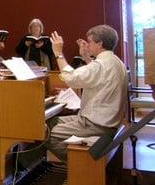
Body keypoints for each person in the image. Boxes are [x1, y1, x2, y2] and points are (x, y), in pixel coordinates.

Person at [43, 25, 126, 162]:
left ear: (99, 43)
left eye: (90, 42)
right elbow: (97, 76)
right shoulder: (116, 61)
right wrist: (87, 57)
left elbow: (72, 78)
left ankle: (80, 165)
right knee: (50, 121)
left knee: (44, 133)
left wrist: (58, 53)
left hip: (95, 124)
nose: (87, 45)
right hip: (102, 121)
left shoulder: (100, 64)